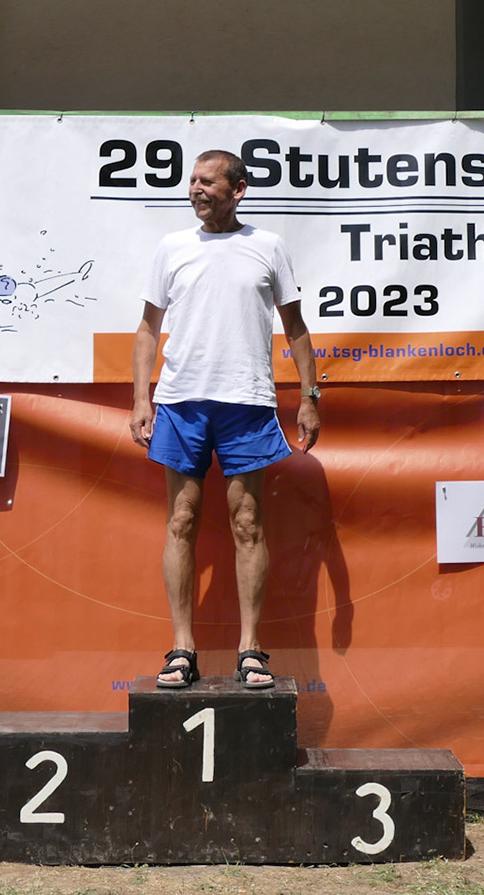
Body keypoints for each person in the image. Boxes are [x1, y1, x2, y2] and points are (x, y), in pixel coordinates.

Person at [129, 149, 320, 690]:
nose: (195, 189)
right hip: (181, 402)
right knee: (181, 521)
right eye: (192, 181)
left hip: (247, 402)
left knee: (247, 524)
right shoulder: (172, 247)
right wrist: (141, 399)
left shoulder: (268, 246)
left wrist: (310, 397)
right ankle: (181, 650)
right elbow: (147, 329)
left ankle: (251, 651)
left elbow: (297, 329)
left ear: (238, 190)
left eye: (207, 182)